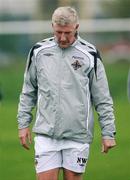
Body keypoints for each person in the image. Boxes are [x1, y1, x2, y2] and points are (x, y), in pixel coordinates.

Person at [17, 6, 116, 180]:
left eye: (67, 33)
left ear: (77, 28)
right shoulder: (38, 51)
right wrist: (23, 124)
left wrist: (108, 133)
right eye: (58, 32)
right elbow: (28, 90)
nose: (62, 38)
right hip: (46, 133)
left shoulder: (90, 54)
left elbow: (102, 98)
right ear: (52, 26)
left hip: (77, 135)